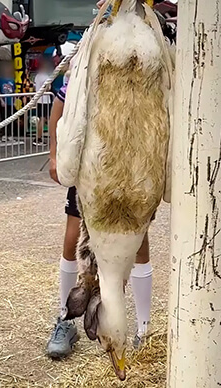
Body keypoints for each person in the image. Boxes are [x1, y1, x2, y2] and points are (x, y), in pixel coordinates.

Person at [46, 80, 153, 358]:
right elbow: (61, 101)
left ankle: (144, 328)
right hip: (92, 161)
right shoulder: (93, 51)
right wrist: (55, 155)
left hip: (135, 160)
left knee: (138, 241)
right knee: (74, 239)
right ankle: (65, 320)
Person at [34, 58, 52, 146]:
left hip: (39, 99)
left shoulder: (37, 76)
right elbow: (47, 88)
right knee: (44, 118)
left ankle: (39, 137)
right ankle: (39, 138)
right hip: (45, 100)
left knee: (43, 118)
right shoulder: (46, 77)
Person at [0, 62, 16, 140]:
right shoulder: (0, 80)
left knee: (10, 118)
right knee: (3, 118)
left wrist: (14, 101)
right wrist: (1, 100)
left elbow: (14, 91)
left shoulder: (12, 80)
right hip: (3, 102)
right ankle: (3, 134)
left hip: (10, 102)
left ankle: (10, 134)